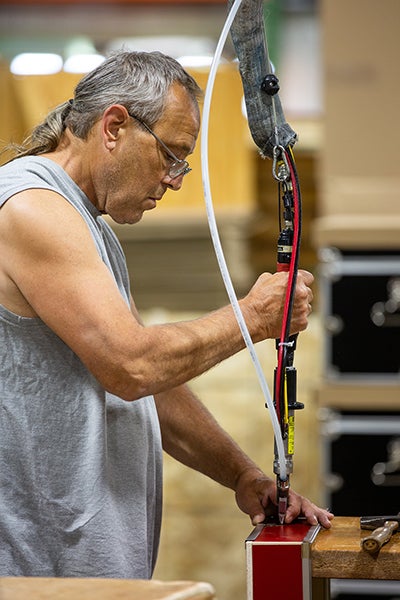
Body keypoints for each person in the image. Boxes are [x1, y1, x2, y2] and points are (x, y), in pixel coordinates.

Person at [0, 50, 333, 579]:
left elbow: (152, 384)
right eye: (172, 155)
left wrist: (245, 478)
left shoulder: (85, 225)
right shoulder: (32, 208)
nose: (176, 179)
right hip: (36, 574)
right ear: (114, 126)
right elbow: (131, 367)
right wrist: (252, 317)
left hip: (75, 569)